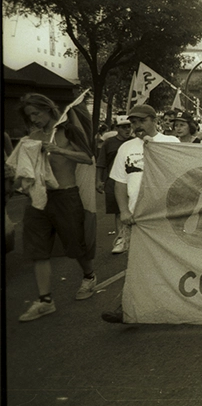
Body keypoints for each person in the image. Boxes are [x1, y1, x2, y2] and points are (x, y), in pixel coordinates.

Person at [14, 93, 98, 322]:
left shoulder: (68, 131)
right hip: (38, 197)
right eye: (30, 115)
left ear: (49, 109)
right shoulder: (31, 137)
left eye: (36, 113)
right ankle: (45, 300)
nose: (34, 119)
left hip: (66, 195)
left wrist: (59, 150)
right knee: (37, 249)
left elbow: (87, 158)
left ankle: (89, 276)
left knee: (74, 244)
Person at [101, 103, 179, 323]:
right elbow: (119, 183)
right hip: (138, 217)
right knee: (136, 264)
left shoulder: (171, 143)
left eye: (142, 121)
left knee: (169, 262)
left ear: (155, 121)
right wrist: (124, 211)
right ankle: (127, 307)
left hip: (165, 215)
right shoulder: (126, 148)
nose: (137, 126)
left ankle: (174, 304)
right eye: (133, 122)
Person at [95, 115, 133, 255]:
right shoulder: (109, 143)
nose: (127, 129)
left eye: (129, 126)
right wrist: (98, 180)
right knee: (118, 211)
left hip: (131, 180)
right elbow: (101, 162)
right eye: (123, 127)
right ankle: (121, 238)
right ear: (117, 128)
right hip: (113, 181)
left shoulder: (135, 142)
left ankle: (133, 238)